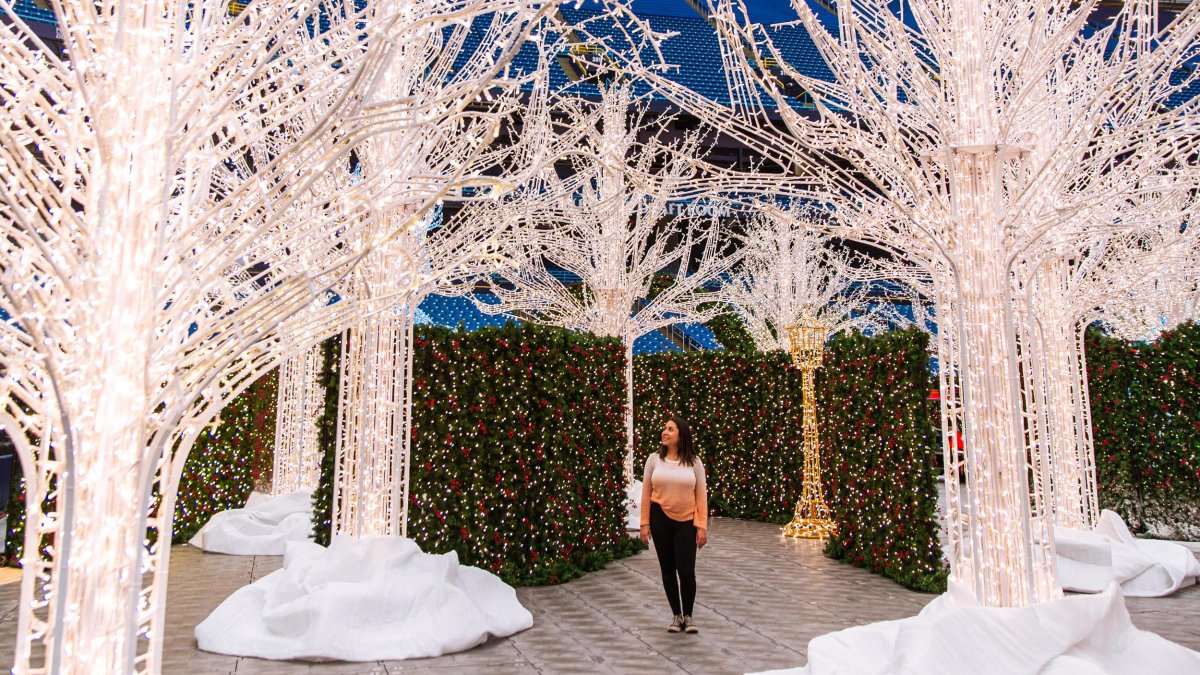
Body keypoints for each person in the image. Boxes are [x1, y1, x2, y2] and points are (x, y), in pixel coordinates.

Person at [639, 413, 707, 634]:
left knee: (686, 571)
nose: (665, 432)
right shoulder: (653, 460)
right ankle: (676, 616)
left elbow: (701, 496)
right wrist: (644, 524)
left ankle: (689, 615)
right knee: (667, 570)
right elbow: (646, 491)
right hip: (660, 518)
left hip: (686, 521)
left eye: (670, 429)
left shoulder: (694, 463)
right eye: (665, 428)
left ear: (681, 435)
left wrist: (702, 526)